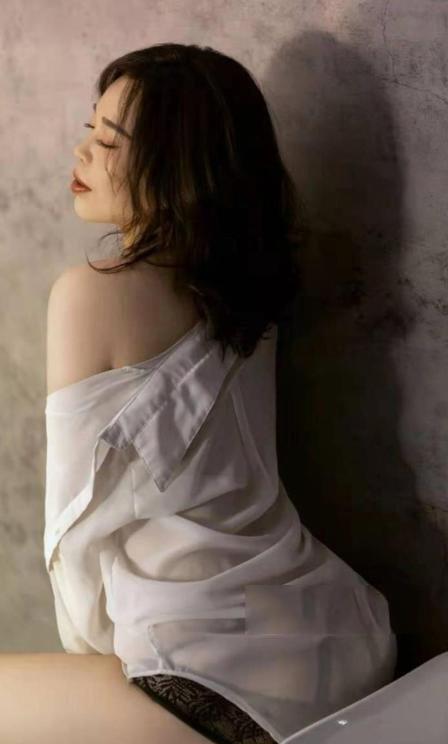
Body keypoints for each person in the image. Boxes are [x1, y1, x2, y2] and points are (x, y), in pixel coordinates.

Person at [6, 44, 396, 744]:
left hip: (205, 674)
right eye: (90, 129)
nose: (83, 151)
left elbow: (73, 537)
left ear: (179, 165)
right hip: (335, 638)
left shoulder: (91, 294)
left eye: (108, 141)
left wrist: (109, 669)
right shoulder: (246, 291)